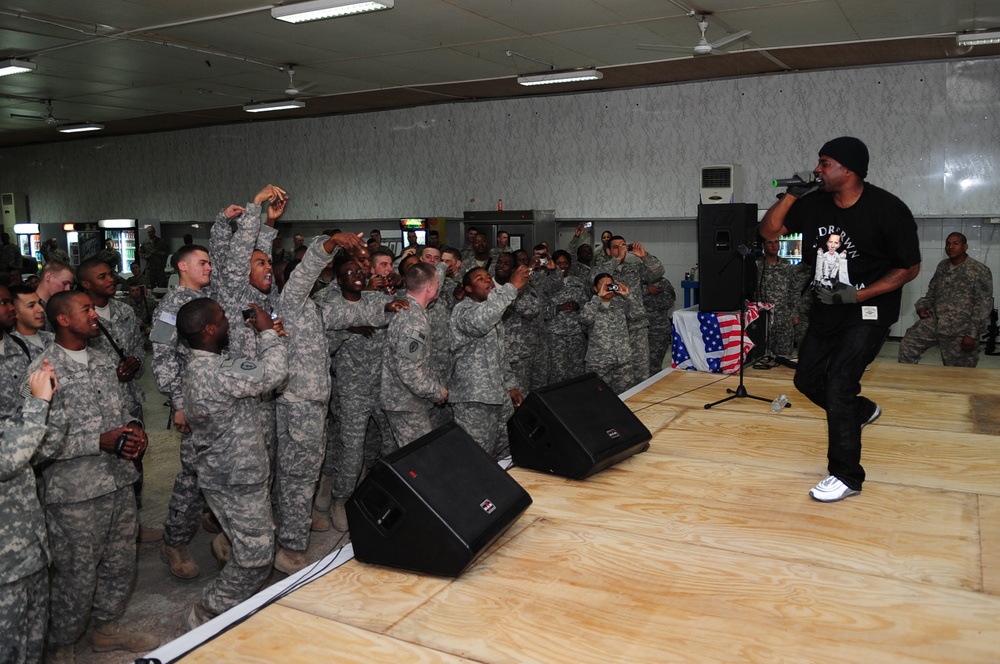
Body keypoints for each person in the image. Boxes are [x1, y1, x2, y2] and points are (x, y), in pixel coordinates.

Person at [760, 136, 920, 503]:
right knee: (806, 379)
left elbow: (908, 267)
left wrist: (857, 294)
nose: (818, 169)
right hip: (825, 308)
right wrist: (790, 196)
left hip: (868, 311)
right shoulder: (813, 204)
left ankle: (846, 476)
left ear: (849, 170)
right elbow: (770, 234)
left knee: (839, 385)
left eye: (825, 162)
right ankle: (860, 411)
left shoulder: (887, 209)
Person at [24, 290, 158, 661]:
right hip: (75, 493)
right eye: (85, 310)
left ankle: (106, 628)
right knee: (75, 575)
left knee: (120, 562)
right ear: (63, 319)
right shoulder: (42, 370)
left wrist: (134, 430)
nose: (94, 314)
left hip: (118, 480)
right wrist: (95, 441)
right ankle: (63, 644)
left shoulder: (101, 360)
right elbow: (33, 443)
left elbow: (124, 410)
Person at [176, 298, 288, 629]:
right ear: (210, 330)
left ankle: (229, 572)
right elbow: (274, 373)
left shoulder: (212, 365)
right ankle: (209, 613)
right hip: (234, 476)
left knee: (251, 544)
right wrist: (268, 333)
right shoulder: (217, 371)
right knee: (256, 559)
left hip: (235, 472)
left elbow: (251, 372)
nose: (229, 322)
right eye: (223, 318)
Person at [151, 243, 212, 579]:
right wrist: (179, 404)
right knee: (192, 475)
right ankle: (174, 541)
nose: (209, 268)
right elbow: (161, 359)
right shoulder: (169, 307)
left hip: (217, 399)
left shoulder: (208, 298)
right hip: (192, 402)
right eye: (202, 263)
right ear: (183, 267)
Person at [0, 361, 58, 664]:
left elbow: (33, 441)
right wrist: (38, 403)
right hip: (4, 572)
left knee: (34, 648)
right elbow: (7, 460)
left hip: (29, 552)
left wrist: (41, 391)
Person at [450, 264, 529, 455]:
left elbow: (500, 355)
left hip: (498, 395)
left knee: (508, 450)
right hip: (474, 399)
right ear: (468, 289)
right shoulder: (462, 311)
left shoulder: (493, 313)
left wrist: (510, 385)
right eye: (479, 278)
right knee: (476, 455)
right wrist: (511, 287)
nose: (487, 280)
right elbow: (480, 322)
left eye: (488, 276)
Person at [898, 232, 993, 367]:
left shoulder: (979, 270)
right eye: (948, 243)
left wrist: (972, 334)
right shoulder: (943, 266)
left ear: (965, 247)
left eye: (956, 243)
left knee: (959, 375)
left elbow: (983, 305)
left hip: (961, 329)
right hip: (936, 322)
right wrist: (922, 307)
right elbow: (931, 293)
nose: (950, 247)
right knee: (908, 344)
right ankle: (909, 381)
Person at [380, 262, 448, 447]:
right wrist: (437, 391)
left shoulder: (406, 309)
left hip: (404, 400)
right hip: (406, 403)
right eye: (437, 283)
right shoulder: (415, 321)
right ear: (429, 288)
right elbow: (409, 370)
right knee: (421, 459)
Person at [597, 236, 665, 384]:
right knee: (617, 375)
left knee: (641, 372)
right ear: (608, 251)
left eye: (623, 246)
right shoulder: (602, 271)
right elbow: (593, 279)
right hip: (613, 330)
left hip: (637, 327)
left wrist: (645, 256)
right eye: (615, 247)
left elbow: (658, 272)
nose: (621, 249)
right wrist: (616, 260)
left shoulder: (635, 268)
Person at [580, 273, 639, 394]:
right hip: (599, 362)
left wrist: (628, 295)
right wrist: (598, 298)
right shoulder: (590, 305)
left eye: (610, 285)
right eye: (604, 285)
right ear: (596, 289)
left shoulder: (621, 304)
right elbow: (585, 319)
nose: (608, 288)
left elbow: (638, 314)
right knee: (597, 397)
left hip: (622, 361)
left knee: (625, 397)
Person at [756, 238, 797, 358]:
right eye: (770, 242)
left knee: (784, 355)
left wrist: (794, 313)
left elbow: (793, 290)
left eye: (776, 242)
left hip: (783, 317)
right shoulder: (757, 265)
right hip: (763, 316)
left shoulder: (786, 265)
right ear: (763, 245)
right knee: (762, 356)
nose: (774, 245)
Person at [642, 274, 676, 372]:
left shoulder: (663, 283)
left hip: (658, 329)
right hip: (639, 329)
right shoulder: (637, 282)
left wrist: (646, 299)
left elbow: (667, 303)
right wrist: (646, 291)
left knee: (654, 364)